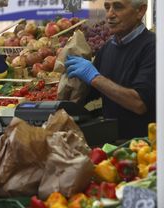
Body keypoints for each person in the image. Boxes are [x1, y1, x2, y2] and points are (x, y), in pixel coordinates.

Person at [65, 0, 155, 139]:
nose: (110, 15)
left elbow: (139, 104)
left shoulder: (153, 48)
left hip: (142, 149)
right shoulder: (108, 48)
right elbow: (90, 93)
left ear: (141, 11)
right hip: (111, 145)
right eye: (107, 7)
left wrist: (95, 78)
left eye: (118, 7)